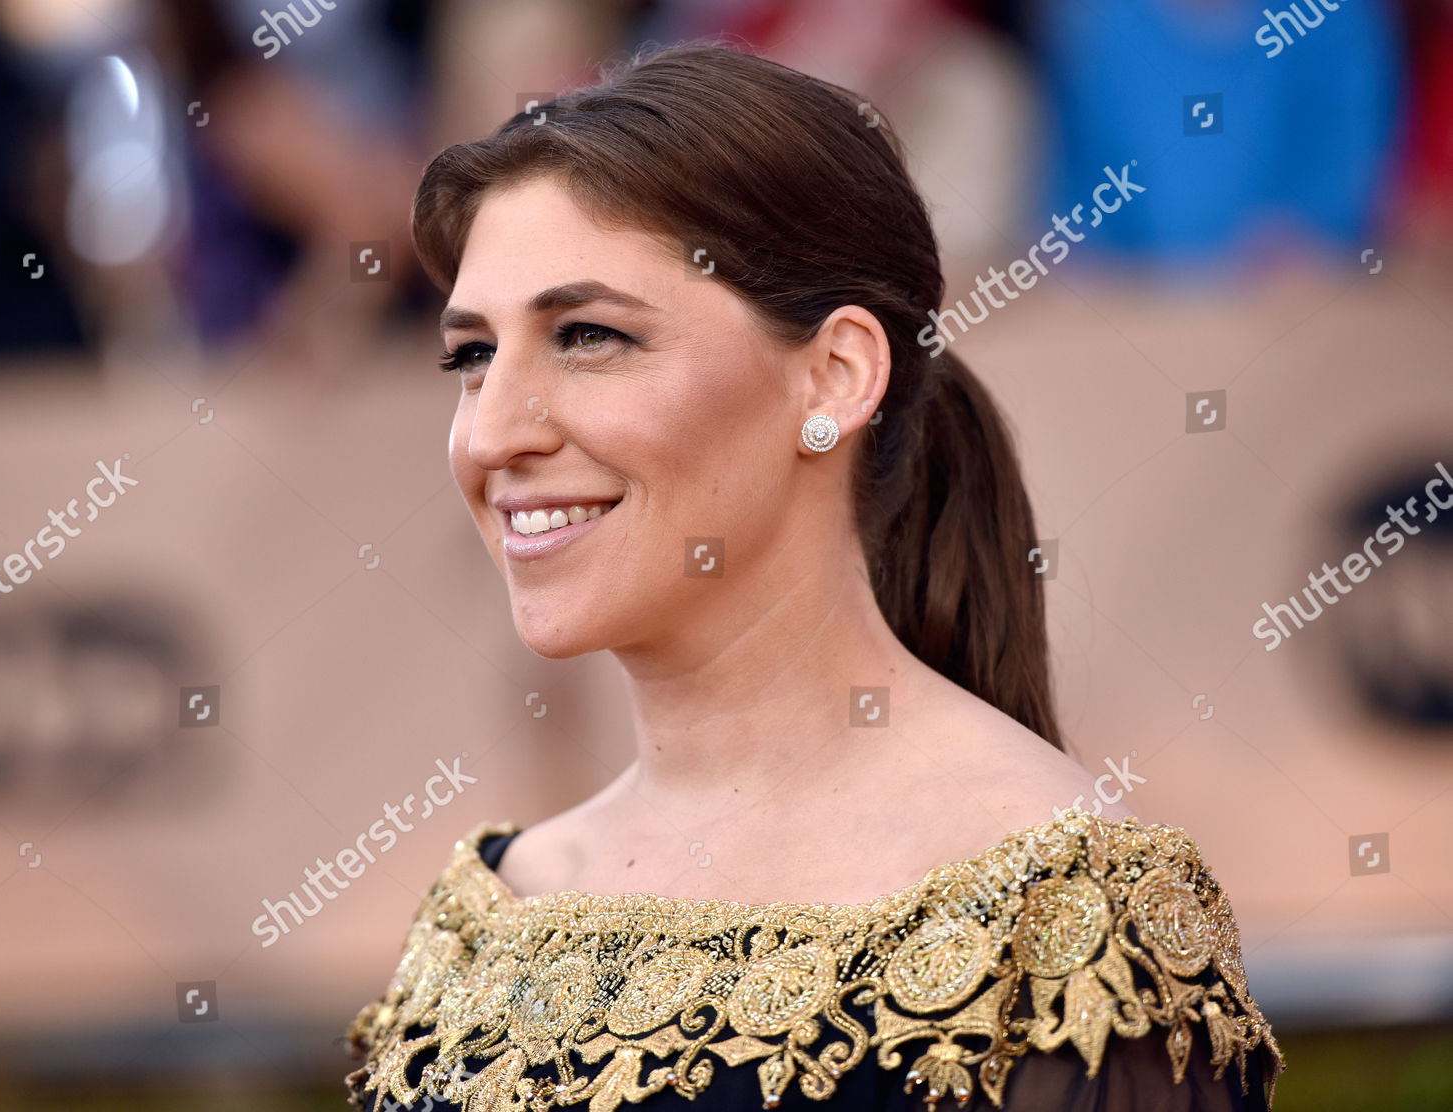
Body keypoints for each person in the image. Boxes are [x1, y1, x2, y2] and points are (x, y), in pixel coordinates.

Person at [344, 41, 1284, 1111]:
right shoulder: (481, 922)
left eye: (590, 336)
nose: (495, 433)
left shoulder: (1064, 915)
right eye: (471, 356)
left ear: (835, 374)